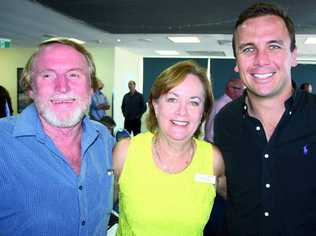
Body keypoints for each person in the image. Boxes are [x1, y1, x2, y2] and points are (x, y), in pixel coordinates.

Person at [214, 2, 316, 235]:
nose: (261, 59)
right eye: (248, 49)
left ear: (293, 56)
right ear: (237, 63)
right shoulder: (225, 121)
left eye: (273, 46)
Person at [0, 38, 115, 235]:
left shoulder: (104, 139)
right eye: (47, 75)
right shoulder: (4, 144)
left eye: (74, 74)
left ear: (91, 87)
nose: (62, 87)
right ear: (30, 89)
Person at [113, 60, 226, 236]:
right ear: (155, 106)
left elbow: (243, 209)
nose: (182, 111)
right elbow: (95, 213)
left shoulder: (213, 159)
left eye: (194, 102)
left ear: (204, 112)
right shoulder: (126, 152)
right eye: (172, 99)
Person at [204, 78, 243, 143]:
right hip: (215, 146)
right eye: (242, 89)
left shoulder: (222, 103)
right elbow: (213, 133)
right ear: (231, 89)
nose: (243, 92)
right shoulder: (225, 106)